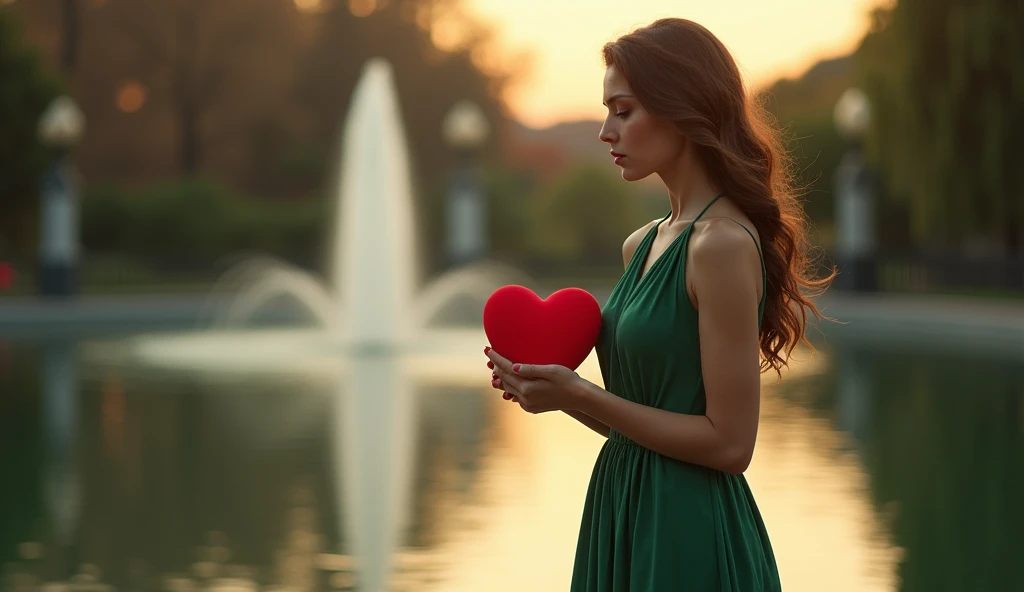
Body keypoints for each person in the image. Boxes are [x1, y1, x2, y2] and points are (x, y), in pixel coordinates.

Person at [484, 17, 835, 592]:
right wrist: (556, 395)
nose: (605, 131)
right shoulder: (642, 243)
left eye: (623, 111)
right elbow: (643, 422)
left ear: (682, 109)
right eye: (606, 111)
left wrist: (578, 391)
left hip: (687, 530)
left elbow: (729, 443)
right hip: (623, 507)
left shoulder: (720, 244)